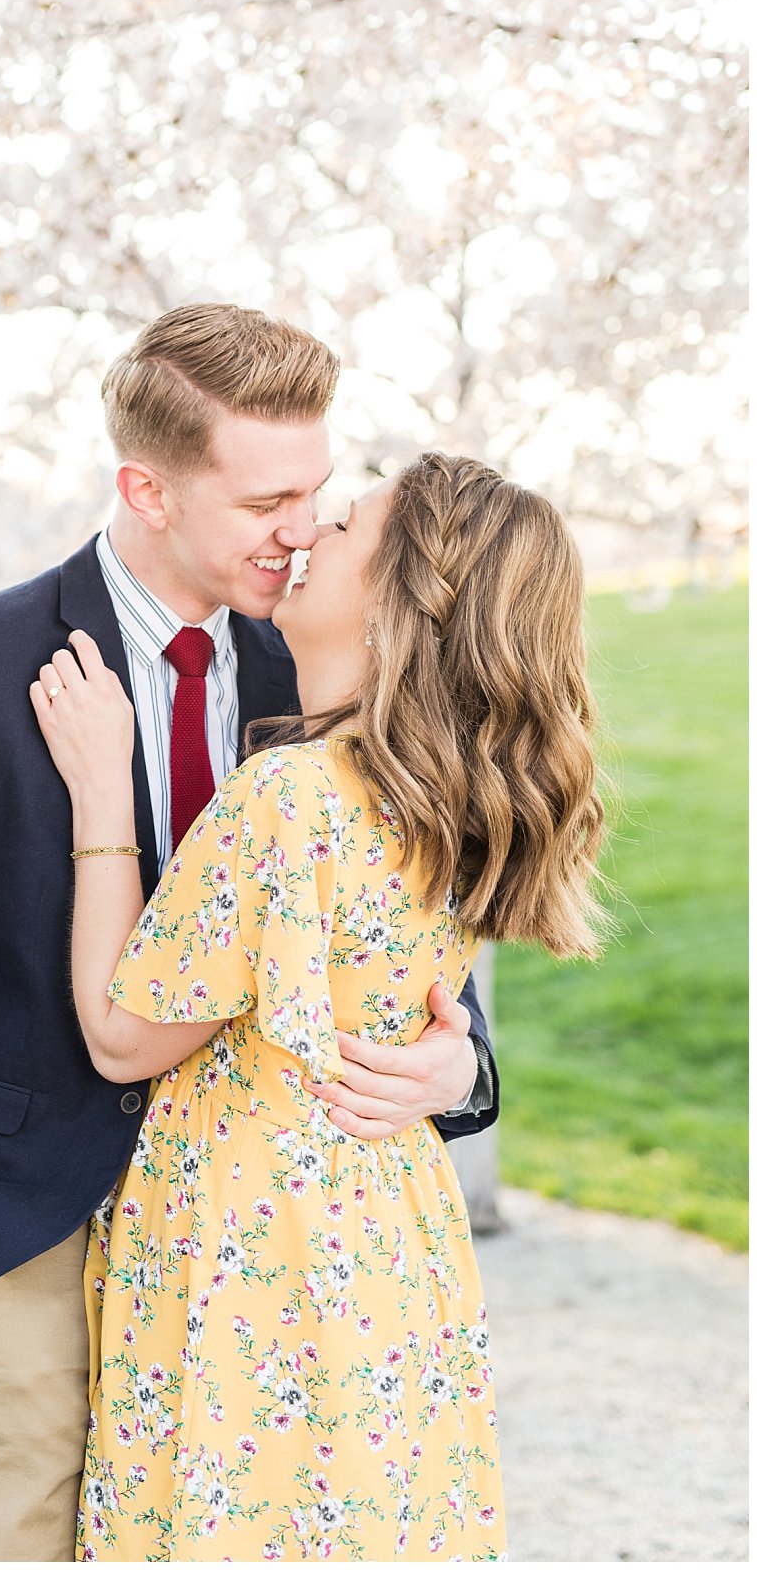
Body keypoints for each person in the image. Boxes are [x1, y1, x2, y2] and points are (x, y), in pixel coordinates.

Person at [0, 305, 498, 1564]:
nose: (302, 528)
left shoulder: (320, 663)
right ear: (146, 488)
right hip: (18, 1238)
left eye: (318, 491)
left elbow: (384, 924)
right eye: (265, 497)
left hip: (246, 1267)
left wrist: (461, 1064)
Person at [31, 450, 607, 1562]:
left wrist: (102, 791)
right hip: (392, 1232)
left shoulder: (288, 793)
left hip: (261, 1241)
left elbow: (121, 1034)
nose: (305, 536)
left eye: (341, 528)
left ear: (399, 603)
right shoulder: (449, 794)